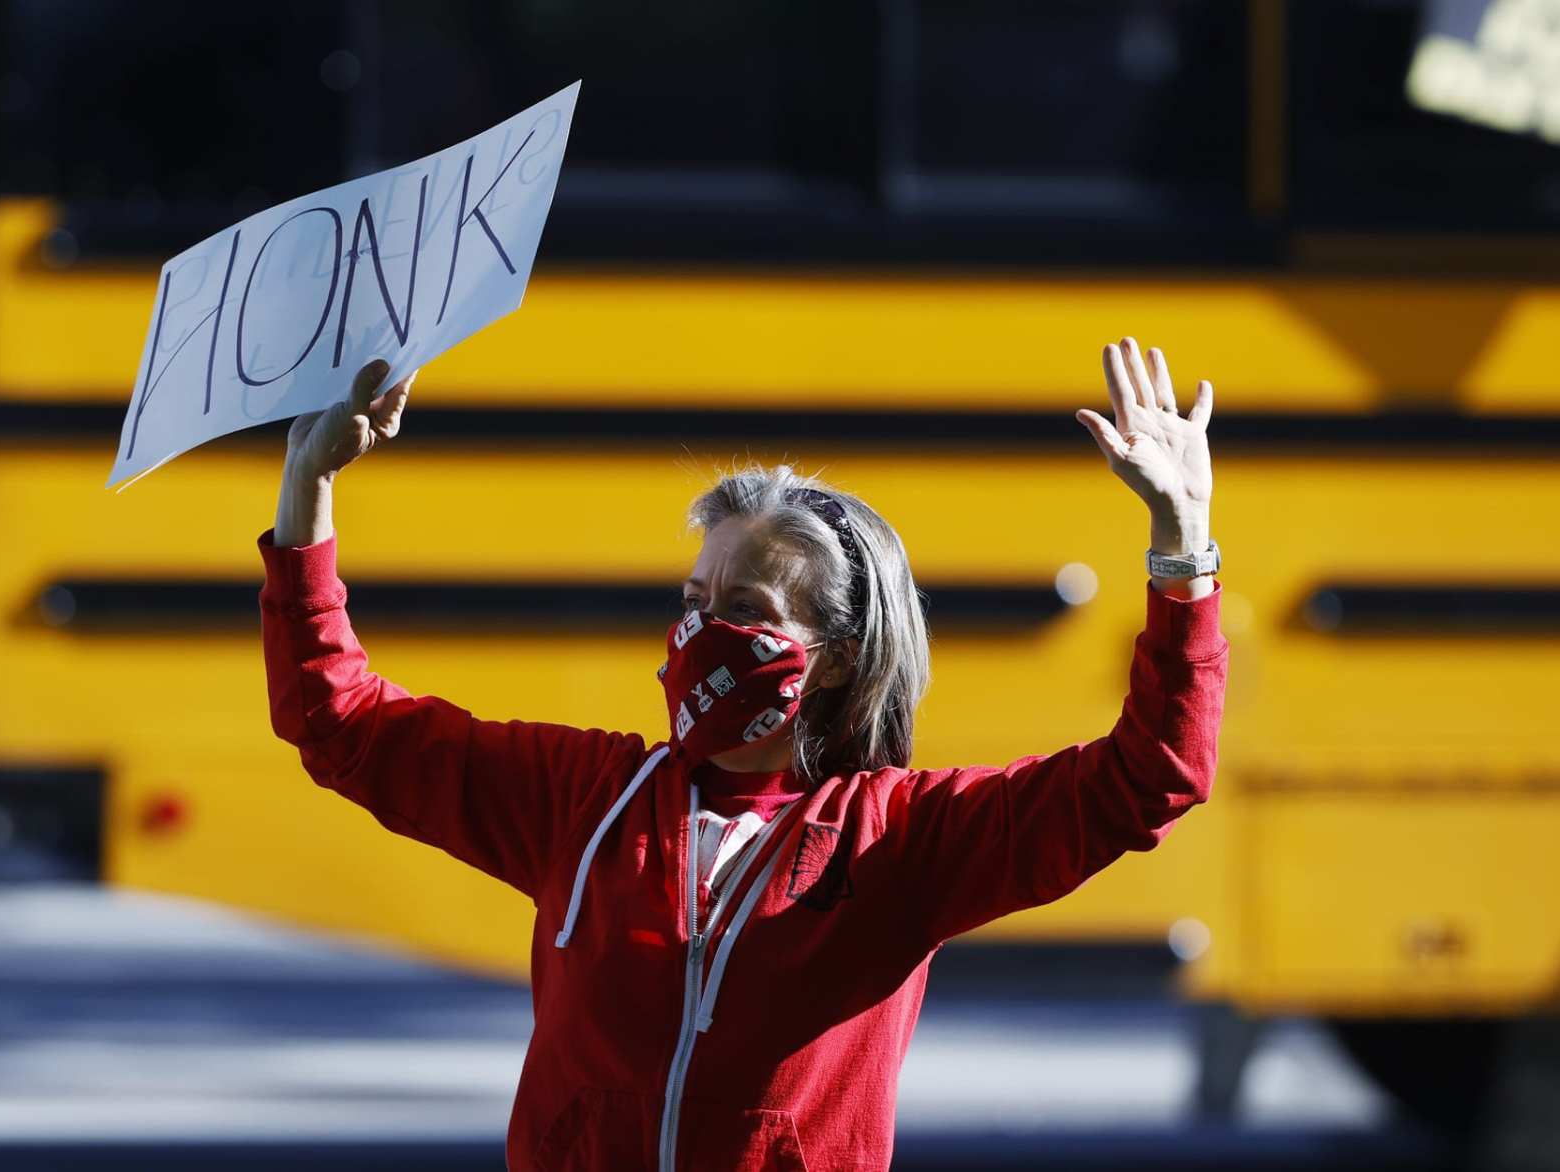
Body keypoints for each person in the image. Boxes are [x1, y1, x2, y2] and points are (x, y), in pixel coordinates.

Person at [259, 337, 1227, 1171]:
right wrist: (310, 488)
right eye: (693, 602)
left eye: (745, 611)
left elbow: (1151, 774)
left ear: (838, 658)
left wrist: (1183, 545)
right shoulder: (585, 798)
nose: (703, 631)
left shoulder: (901, 840)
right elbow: (336, 718)